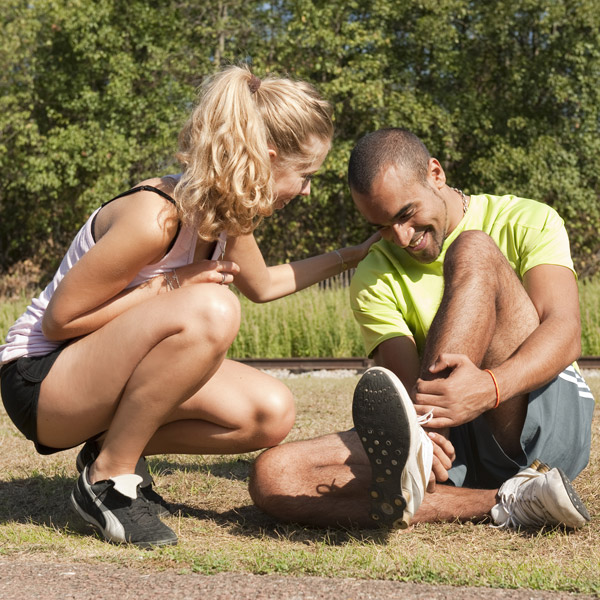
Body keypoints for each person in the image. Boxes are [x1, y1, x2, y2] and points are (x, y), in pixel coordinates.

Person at [0, 65, 379, 548]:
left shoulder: (226, 215)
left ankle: (108, 448)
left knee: (270, 412)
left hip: (94, 372)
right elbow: (61, 321)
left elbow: (262, 286)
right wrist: (174, 282)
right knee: (213, 308)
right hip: (41, 380)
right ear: (267, 158)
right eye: (305, 175)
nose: (307, 191)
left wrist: (353, 255)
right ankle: (108, 480)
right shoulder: (155, 218)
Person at [249, 128, 595, 531]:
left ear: (436, 174)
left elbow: (566, 331)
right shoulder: (374, 273)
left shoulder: (526, 219)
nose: (401, 237)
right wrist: (425, 437)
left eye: (406, 214)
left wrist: (488, 388)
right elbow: (405, 388)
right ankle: (514, 499)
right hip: (446, 440)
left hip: (535, 418)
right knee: (274, 476)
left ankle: (429, 457)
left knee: (473, 248)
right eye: (380, 226)